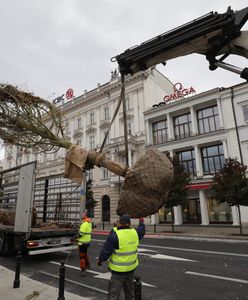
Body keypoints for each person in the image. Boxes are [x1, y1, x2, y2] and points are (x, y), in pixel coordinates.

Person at [97, 214, 145, 300]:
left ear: (119, 222)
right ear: (129, 223)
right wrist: (141, 222)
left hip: (118, 271)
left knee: (114, 295)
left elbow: (106, 250)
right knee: (130, 293)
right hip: (131, 269)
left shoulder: (115, 234)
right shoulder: (135, 232)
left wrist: (100, 260)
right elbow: (142, 231)